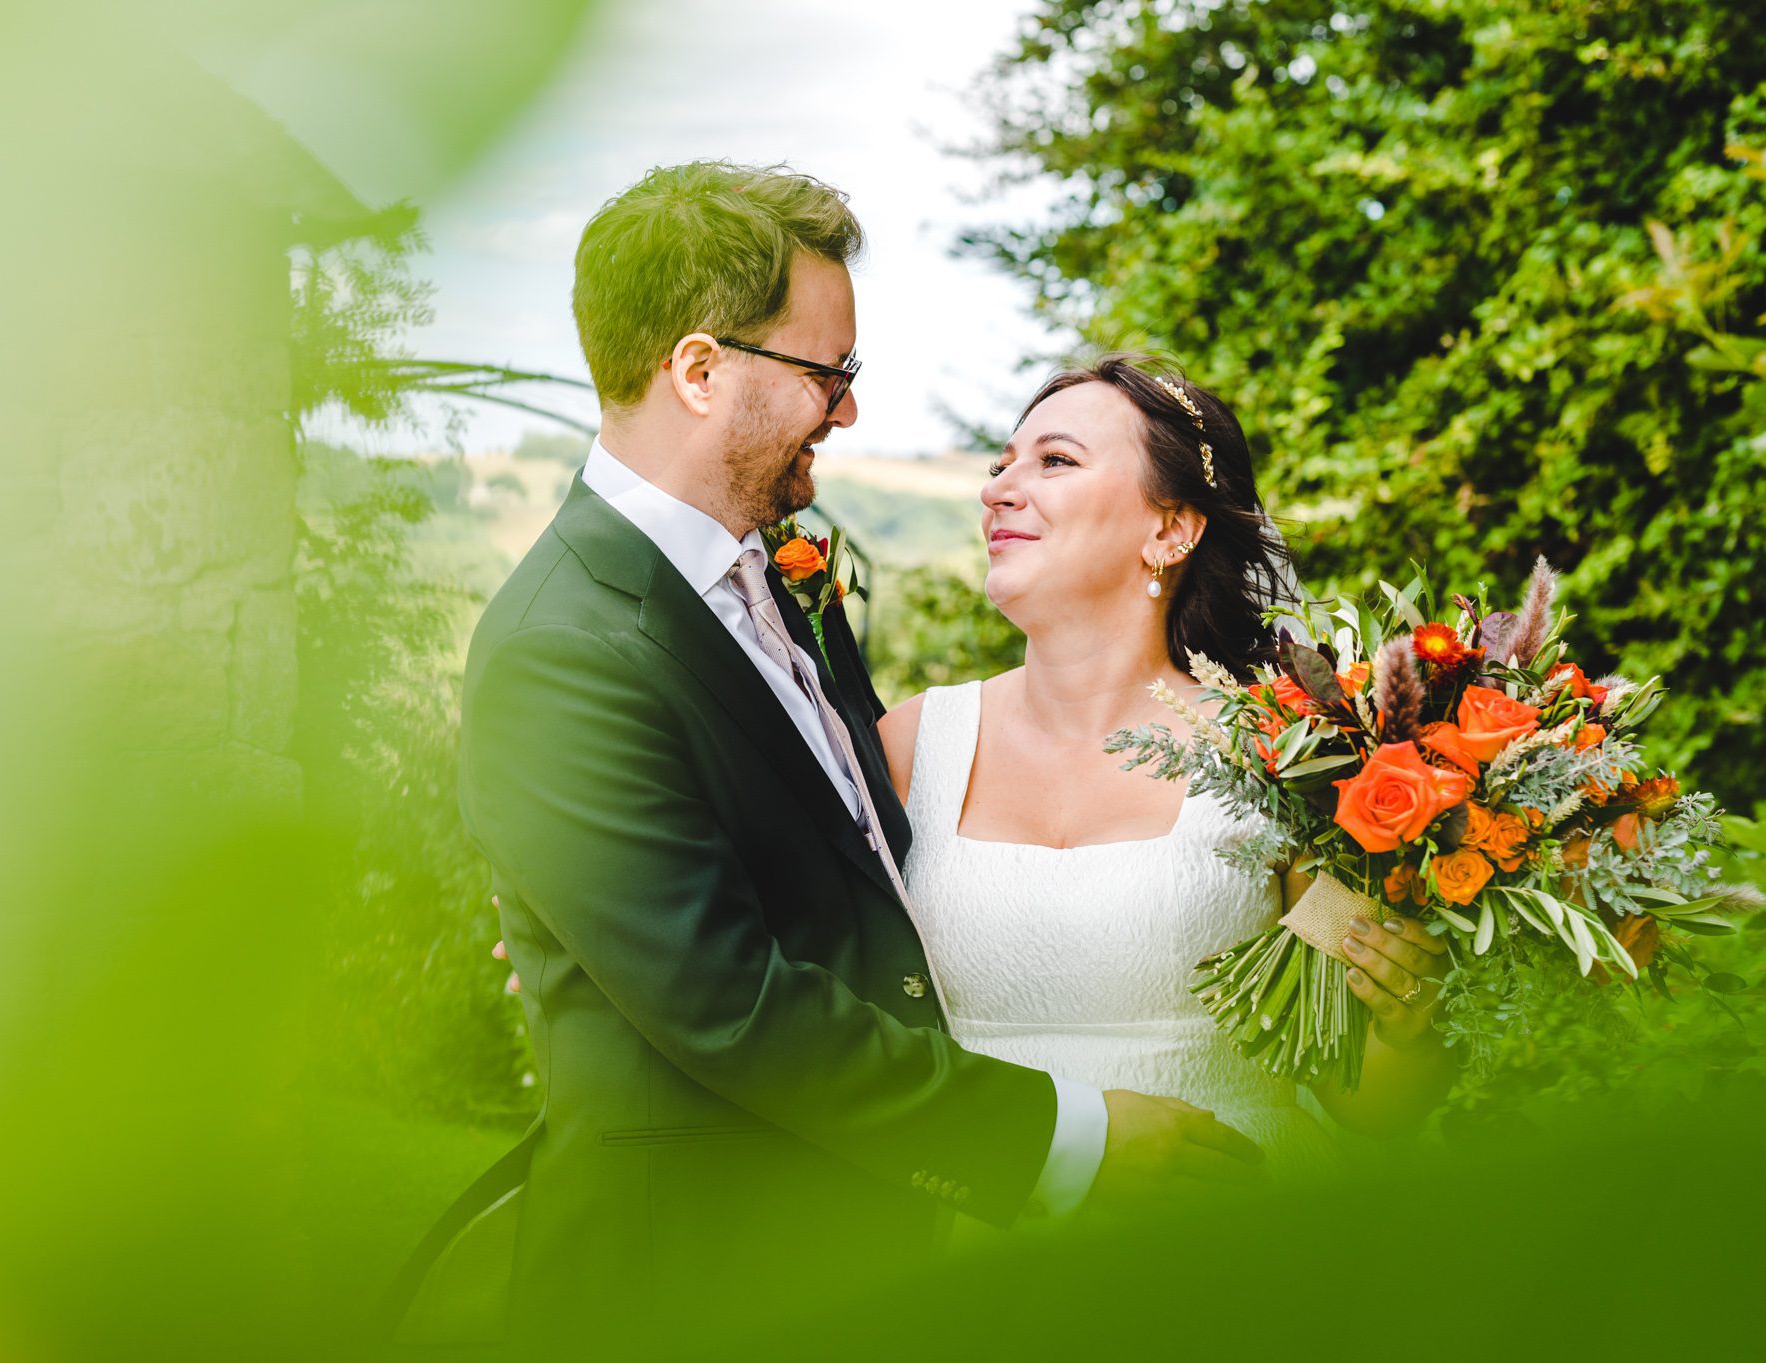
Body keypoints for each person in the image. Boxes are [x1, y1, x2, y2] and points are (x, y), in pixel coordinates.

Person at [431, 164, 1260, 1350]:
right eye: (831, 373)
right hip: (700, 1281)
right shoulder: (563, 645)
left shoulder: (773, 584)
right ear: (701, 371)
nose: (850, 411)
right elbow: (725, 1005)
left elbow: (850, 876)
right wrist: (1062, 1142)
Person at [876, 355, 1459, 1170]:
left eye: (1056, 460)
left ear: (1171, 528)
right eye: (1000, 463)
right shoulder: (909, 746)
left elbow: (1365, 1099)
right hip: (987, 1244)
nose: (997, 487)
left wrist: (1406, 1019)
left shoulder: (1279, 758)